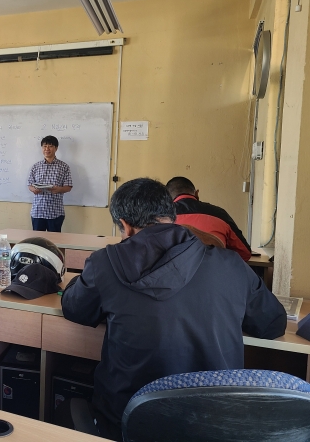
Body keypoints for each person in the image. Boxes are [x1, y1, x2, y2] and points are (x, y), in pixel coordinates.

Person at [61, 178, 286, 440]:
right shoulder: (230, 265)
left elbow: (75, 308)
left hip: (128, 422)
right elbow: (272, 323)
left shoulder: (104, 264)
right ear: (172, 216)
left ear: (125, 225)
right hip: (214, 425)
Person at [166, 176, 252, 261]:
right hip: (216, 272)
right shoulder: (220, 214)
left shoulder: (162, 218)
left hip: (173, 273)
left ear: (167, 199)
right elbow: (244, 253)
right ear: (196, 193)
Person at [27, 135, 73, 232]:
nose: (47, 149)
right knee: (37, 243)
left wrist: (58, 189)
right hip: (38, 211)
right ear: (42, 148)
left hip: (55, 212)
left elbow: (68, 187)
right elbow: (30, 185)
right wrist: (33, 189)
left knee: (55, 243)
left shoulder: (64, 166)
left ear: (56, 148)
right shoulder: (36, 166)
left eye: (50, 146)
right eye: (44, 146)